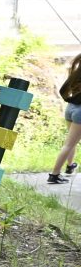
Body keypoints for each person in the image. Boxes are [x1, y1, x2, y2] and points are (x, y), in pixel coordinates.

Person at [50, 53, 81, 184]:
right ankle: (54, 175)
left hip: (70, 108)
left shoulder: (77, 73)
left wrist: (71, 99)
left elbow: (63, 90)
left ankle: (70, 166)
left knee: (71, 142)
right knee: (69, 144)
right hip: (79, 112)